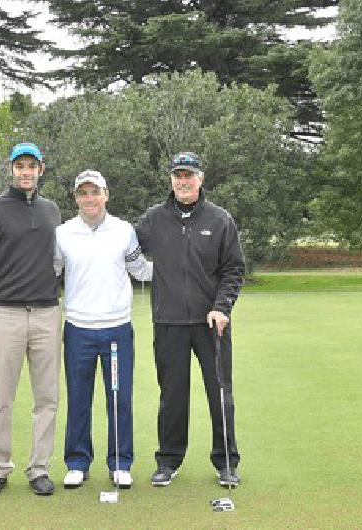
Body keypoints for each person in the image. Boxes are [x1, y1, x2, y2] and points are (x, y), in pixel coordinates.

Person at [135, 152, 245, 489]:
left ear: (200, 179)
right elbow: (123, 252)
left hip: (211, 323)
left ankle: (226, 462)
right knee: (172, 395)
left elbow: (233, 269)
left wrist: (222, 307)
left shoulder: (220, 219)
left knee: (219, 393)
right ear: (171, 179)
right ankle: (168, 460)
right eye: (178, 175)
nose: (183, 181)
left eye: (189, 175)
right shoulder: (153, 220)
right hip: (168, 322)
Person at [0, 142, 62, 497]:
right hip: (5, 313)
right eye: (20, 166)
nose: (26, 172)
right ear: (11, 169)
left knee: (47, 397)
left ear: (42, 169)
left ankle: (39, 467)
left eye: (32, 166)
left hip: (47, 313)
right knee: (1, 397)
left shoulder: (52, 210)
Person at [54, 170, 153, 490]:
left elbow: (142, 270)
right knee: (79, 398)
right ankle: (77, 463)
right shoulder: (63, 233)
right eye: (83, 193)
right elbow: (49, 272)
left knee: (119, 398)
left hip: (116, 329)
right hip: (78, 328)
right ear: (76, 198)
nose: (89, 198)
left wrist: (182, 266)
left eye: (94, 192)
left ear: (105, 195)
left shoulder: (124, 231)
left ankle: (121, 463)